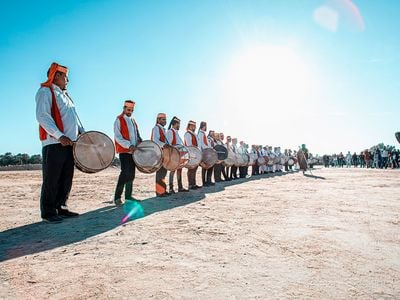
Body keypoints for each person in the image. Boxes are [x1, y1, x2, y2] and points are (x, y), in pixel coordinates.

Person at [36, 62, 83, 223]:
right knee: (52, 178)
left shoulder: (66, 96)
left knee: (66, 177)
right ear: (56, 76)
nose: (67, 80)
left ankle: (61, 206)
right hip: (54, 143)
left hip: (70, 143)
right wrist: (59, 135)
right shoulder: (45, 91)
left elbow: (74, 119)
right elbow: (43, 116)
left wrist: (82, 134)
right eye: (65, 77)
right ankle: (48, 212)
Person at [113, 100, 142, 206]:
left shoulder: (133, 121)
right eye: (128, 110)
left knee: (132, 174)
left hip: (133, 152)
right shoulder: (119, 120)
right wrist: (129, 145)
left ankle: (128, 197)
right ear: (124, 108)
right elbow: (118, 137)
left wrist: (139, 140)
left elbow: (137, 134)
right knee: (125, 173)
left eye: (132, 110)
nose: (130, 112)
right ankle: (117, 197)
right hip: (125, 151)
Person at [166, 116, 189, 193]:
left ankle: (180, 187)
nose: (179, 126)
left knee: (179, 170)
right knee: (172, 171)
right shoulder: (170, 132)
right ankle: (171, 188)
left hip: (180, 155)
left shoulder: (176, 133)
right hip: (174, 154)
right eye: (178, 124)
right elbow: (169, 143)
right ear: (175, 124)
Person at [151, 113, 170, 197]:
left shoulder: (163, 129)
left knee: (163, 172)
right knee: (160, 173)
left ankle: (163, 190)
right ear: (158, 120)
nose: (164, 121)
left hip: (164, 153)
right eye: (162, 119)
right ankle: (159, 192)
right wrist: (164, 145)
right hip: (159, 153)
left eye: (165, 119)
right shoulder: (156, 128)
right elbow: (155, 140)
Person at [184, 120, 201, 190]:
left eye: (194, 126)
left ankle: (194, 183)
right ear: (189, 126)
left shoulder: (194, 134)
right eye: (192, 126)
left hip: (196, 153)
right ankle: (190, 184)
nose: (193, 127)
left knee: (195, 169)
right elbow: (189, 144)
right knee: (191, 169)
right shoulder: (187, 134)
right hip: (191, 153)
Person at [198, 122, 215, 186]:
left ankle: (208, 180)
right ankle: (204, 182)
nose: (205, 127)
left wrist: (210, 149)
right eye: (205, 126)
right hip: (204, 152)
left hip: (208, 152)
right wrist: (203, 151)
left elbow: (207, 143)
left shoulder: (203, 133)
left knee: (209, 166)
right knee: (204, 168)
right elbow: (201, 143)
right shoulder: (200, 134)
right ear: (203, 126)